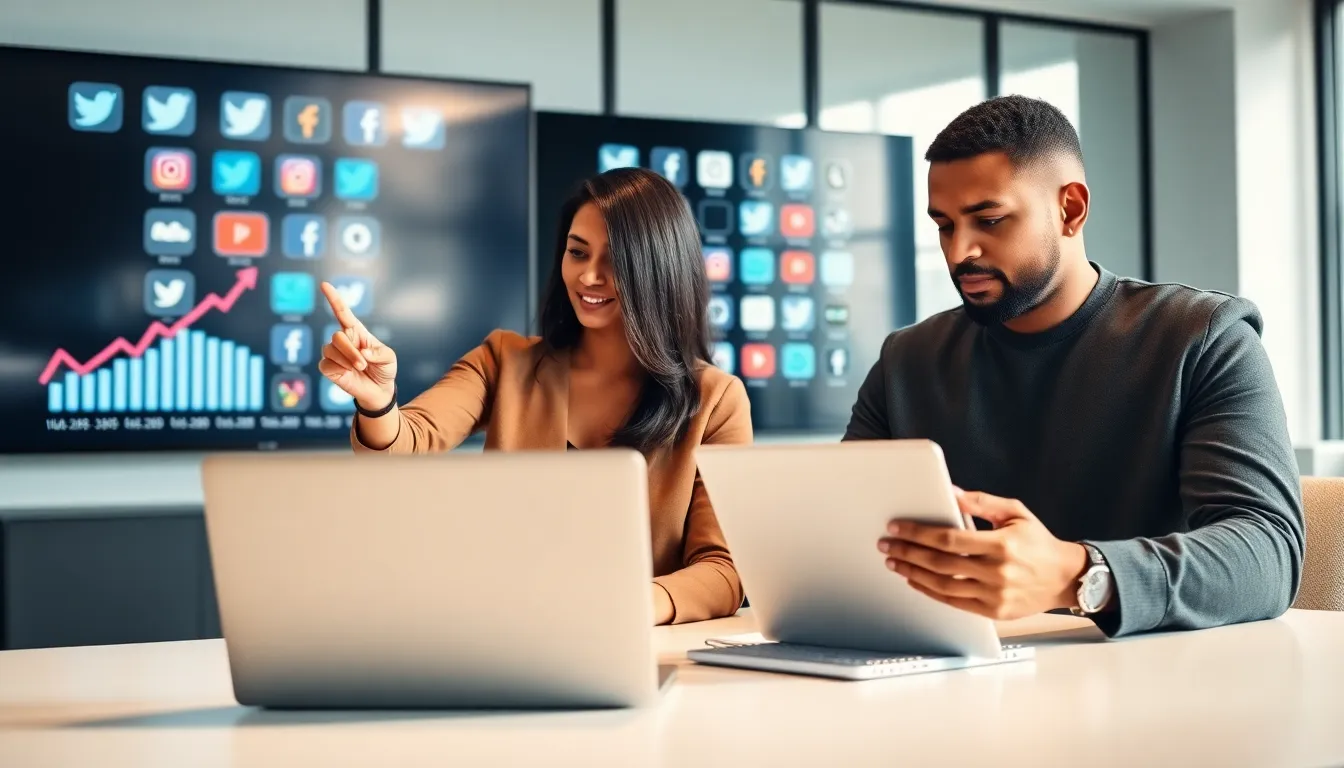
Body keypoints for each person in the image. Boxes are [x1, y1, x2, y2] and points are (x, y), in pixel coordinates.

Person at [847, 95, 1304, 638]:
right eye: (944, 225)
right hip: (941, 681)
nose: (959, 251)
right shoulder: (907, 359)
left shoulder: (1203, 338)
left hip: (1152, 690)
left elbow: (1268, 552)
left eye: (989, 220)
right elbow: (842, 536)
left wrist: (1080, 574)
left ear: (1070, 209)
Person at [318, 167, 752, 625]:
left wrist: (632, 603)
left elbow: (724, 571)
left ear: (657, 270)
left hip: (635, 646)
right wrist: (378, 399)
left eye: (614, 261)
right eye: (577, 252)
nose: (588, 276)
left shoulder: (716, 399)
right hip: (502, 632)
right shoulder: (505, 361)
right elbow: (409, 442)